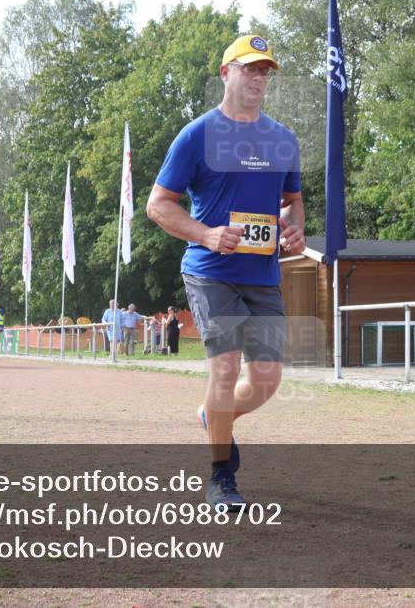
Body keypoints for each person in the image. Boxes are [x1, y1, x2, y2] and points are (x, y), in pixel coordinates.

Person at [146, 34, 305, 510]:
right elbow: (158, 205)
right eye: (249, 68)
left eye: (265, 71)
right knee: (225, 369)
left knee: (266, 381)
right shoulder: (197, 135)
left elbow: (293, 203)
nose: (259, 78)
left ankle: (211, 417)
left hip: (263, 275)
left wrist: (294, 230)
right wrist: (207, 234)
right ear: (225, 73)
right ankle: (220, 479)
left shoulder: (282, 139)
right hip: (211, 271)